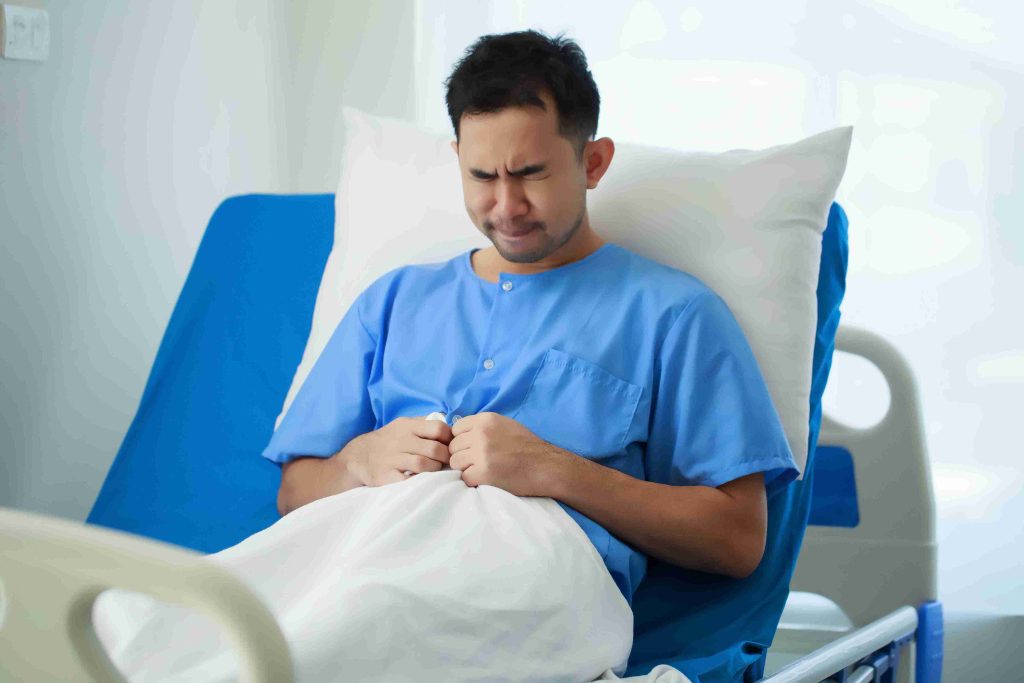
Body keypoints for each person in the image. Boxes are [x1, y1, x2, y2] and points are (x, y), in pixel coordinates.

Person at [263, 29, 797, 609]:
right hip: (359, 566)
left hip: (527, 597)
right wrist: (357, 461)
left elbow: (739, 538)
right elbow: (295, 491)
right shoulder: (394, 302)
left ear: (593, 162)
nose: (506, 206)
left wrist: (556, 471)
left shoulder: (674, 316)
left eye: (531, 174)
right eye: (483, 177)